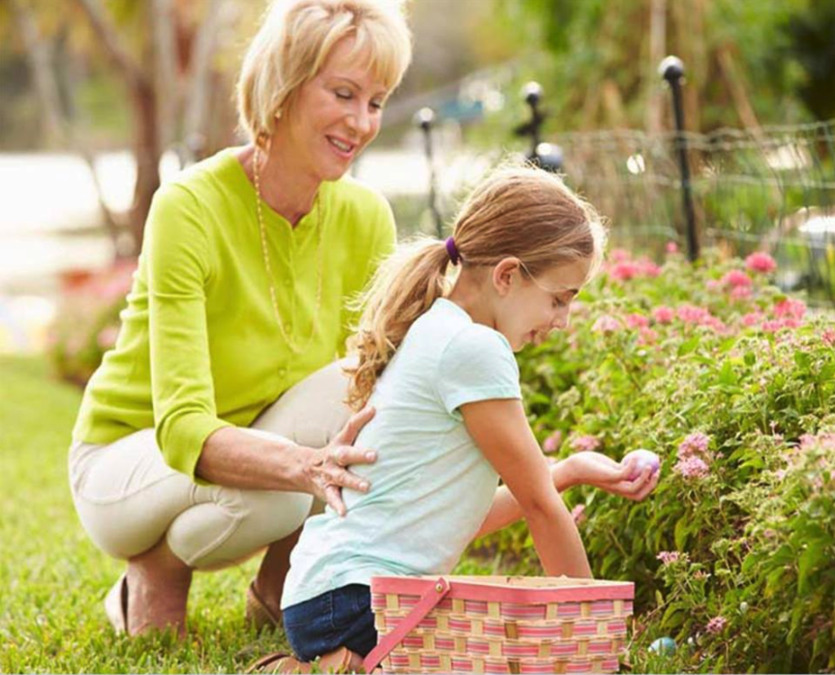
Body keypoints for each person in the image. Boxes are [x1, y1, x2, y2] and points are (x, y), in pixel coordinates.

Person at [67, 0, 413, 637]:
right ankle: (156, 573)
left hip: (251, 444)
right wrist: (302, 468)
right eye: (343, 93)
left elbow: (367, 392)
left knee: (371, 383)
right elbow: (182, 427)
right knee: (287, 482)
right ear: (282, 85)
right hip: (128, 458)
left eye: (376, 101)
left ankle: (279, 583)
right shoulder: (188, 206)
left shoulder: (367, 216)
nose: (362, 122)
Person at [273, 165, 659, 671]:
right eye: (558, 298)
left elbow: (454, 521)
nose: (562, 321)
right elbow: (540, 506)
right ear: (506, 275)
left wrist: (569, 470)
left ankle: (338, 661)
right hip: (357, 601)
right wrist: (591, 647)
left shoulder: (440, 327)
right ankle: (347, 663)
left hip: (327, 596)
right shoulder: (473, 348)